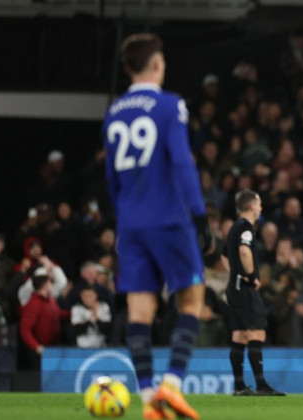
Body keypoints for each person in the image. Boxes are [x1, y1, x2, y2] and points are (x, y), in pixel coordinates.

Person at [103, 33, 213, 420]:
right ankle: (173, 385)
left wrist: (123, 220)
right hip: (168, 217)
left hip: (130, 224)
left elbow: (111, 178)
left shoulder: (114, 112)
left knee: (139, 310)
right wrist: (199, 217)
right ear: (155, 65)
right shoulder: (169, 105)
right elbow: (182, 163)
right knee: (192, 299)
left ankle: (149, 401)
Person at [225, 189, 285, 396]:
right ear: (252, 207)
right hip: (245, 288)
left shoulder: (234, 227)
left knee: (240, 334)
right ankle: (261, 385)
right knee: (256, 330)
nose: (260, 208)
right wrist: (251, 275)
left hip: (234, 287)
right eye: (259, 204)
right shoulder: (246, 228)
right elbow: (244, 250)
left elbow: (227, 256)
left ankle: (239, 386)